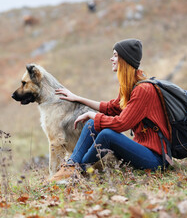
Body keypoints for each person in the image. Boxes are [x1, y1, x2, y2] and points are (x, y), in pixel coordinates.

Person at [49, 38, 170, 182]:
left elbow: (122, 124)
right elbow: (111, 108)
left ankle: (78, 171)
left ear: (125, 59)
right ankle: (71, 166)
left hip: (155, 159)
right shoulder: (130, 86)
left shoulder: (143, 90)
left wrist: (91, 114)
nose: (111, 59)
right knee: (93, 123)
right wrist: (77, 98)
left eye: (115, 55)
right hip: (141, 149)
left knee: (106, 134)